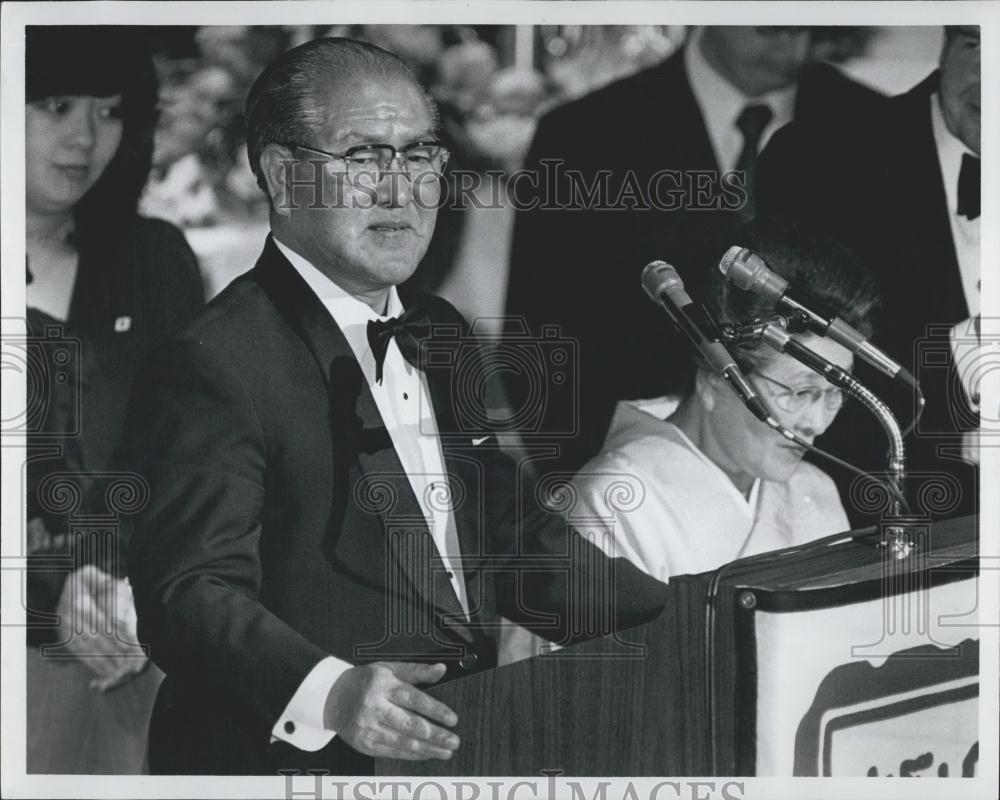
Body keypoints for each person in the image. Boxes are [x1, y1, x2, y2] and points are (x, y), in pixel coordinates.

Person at [121, 37, 668, 776]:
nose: (400, 188)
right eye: (365, 156)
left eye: (418, 156)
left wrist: (689, 619)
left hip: (450, 752)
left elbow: (513, 539)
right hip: (278, 766)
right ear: (283, 175)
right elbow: (186, 594)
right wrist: (337, 691)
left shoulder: (439, 330)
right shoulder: (213, 363)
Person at [504, 26, 886, 478]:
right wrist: (597, 487)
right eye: (768, 22)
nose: (791, 37)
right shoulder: (584, 133)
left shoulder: (876, 125)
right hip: (632, 481)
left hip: (832, 481)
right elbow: (538, 339)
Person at [23, 26, 204, 773]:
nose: (84, 138)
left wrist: (119, 575)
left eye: (108, 110)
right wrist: (48, 590)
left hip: (139, 636)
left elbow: (200, 455)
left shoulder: (152, 259)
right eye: (57, 105)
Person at [756, 26, 980, 524]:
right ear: (944, 43)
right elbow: (785, 370)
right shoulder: (817, 161)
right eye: (976, 45)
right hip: (875, 532)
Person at [570, 231, 878, 582]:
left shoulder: (814, 490)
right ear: (713, 380)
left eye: (836, 392)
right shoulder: (613, 499)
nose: (818, 423)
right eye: (799, 392)